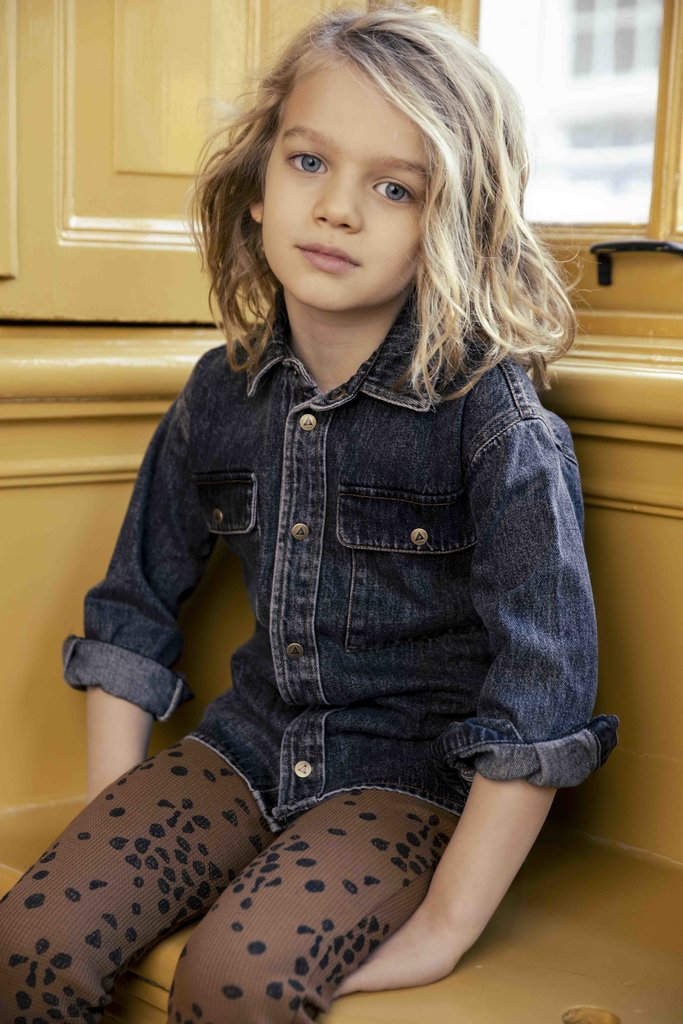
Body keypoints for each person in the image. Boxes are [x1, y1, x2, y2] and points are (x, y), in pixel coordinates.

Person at [0, 3, 620, 1022]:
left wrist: (446, 924)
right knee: (28, 939)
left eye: (393, 187)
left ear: (452, 224)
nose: (337, 209)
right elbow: (131, 611)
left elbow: (541, 695)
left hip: (406, 783)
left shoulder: (493, 420)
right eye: (307, 162)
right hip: (242, 750)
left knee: (231, 979)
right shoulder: (220, 390)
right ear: (256, 184)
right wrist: (111, 822)